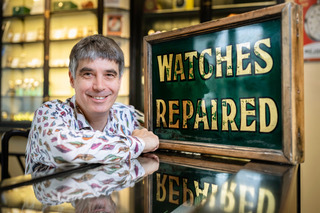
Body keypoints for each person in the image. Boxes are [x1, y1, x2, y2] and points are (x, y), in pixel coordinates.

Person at [25, 34, 159, 174]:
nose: (99, 86)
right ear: (72, 79)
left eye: (109, 75)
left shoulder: (128, 115)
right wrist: (139, 143)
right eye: (88, 74)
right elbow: (66, 151)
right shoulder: (48, 114)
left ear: (119, 80)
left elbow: (167, 135)